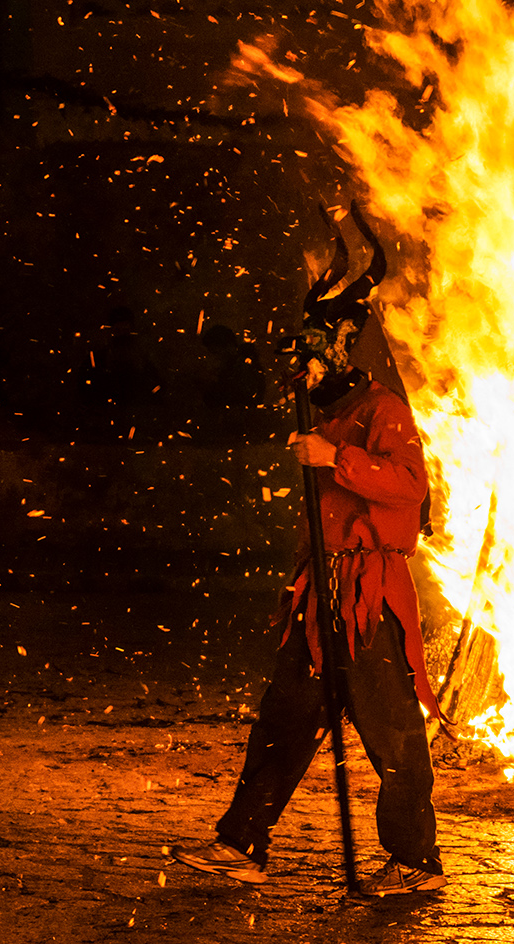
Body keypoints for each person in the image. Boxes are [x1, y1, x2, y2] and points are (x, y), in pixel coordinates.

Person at [171, 206, 447, 896]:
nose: (301, 365)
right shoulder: (325, 413)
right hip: (318, 593)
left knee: (393, 735)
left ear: (341, 348)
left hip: (368, 595)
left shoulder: (381, 412)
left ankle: (415, 862)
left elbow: (411, 490)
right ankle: (241, 844)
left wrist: (338, 457)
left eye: (311, 352)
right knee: (285, 719)